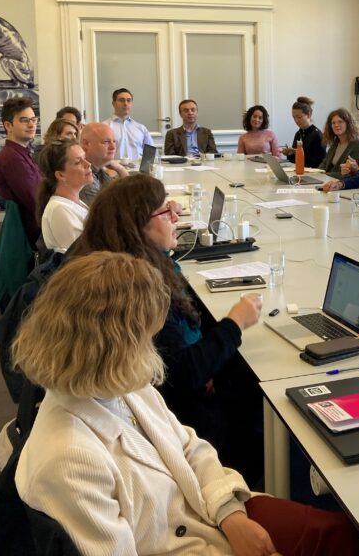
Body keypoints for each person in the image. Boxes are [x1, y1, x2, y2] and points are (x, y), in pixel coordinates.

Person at [12, 251, 359, 556]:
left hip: (209, 513)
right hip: (188, 539)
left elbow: (190, 447)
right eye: (144, 338)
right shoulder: (69, 458)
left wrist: (231, 516)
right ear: (111, 347)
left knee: (344, 535)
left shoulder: (118, 385)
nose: (151, 350)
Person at [68, 174, 264, 483]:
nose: (176, 216)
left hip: (160, 398)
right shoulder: (139, 287)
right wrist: (235, 323)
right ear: (137, 226)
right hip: (175, 418)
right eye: (165, 211)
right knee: (256, 389)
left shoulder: (137, 262)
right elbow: (182, 374)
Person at [0, 96, 42, 246]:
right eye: (24, 120)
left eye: (33, 119)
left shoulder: (21, 153)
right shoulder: (12, 158)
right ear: (8, 125)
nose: (31, 124)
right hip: (35, 233)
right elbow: (35, 202)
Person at [36, 140, 93, 253]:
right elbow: (82, 257)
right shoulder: (59, 210)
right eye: (78, 162)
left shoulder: (75, 202)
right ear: (61, 175)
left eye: (85, 158)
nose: (88, 164)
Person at [78, 122, 128, 205]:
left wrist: (121, 169)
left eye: (114, 141)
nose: (113, 147)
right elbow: (107, 210)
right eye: (106, 142)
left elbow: (125, 194)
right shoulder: (82, 174)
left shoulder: (99, 169)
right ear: (86, 144)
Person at [106, 88, 154, 160]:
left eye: (129, 100)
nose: (125, 103)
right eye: (121, 100)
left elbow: (151, 153)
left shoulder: (141, 128)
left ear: (132, 104)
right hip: (113, 170)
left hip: (138, 170)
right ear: (113, 104)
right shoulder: (104, 127)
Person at [316, 108, 359, 179]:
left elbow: (349, 173)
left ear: (348, 124)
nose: (336, 125)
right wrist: (316, 173)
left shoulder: (358, 145)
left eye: (340, 121)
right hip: (327, 180)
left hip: (343, 184)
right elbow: (324, 163)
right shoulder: (335, 143)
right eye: (333, 123)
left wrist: (325, 174)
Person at [281, 96, 325, 168]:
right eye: (294, 117)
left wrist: (297, 153)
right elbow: (293, 162)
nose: (296, 121)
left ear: (308, 115)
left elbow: (320, 162)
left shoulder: (317, 135)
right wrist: (290, 154)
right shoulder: (298, 134)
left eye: (299, 117)